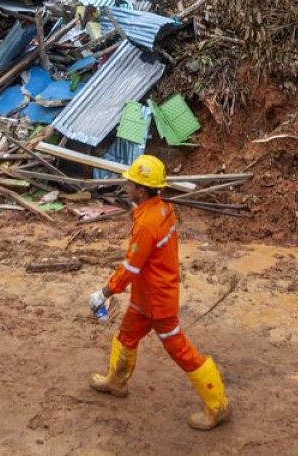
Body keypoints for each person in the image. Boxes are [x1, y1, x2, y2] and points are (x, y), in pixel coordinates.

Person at [87, 154, 232, 430]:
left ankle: (218, 404)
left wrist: (104, 293)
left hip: (156, 302)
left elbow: (131, 266)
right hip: (149, 296)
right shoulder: (163, 209)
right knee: (127, 335)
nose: (126, 186)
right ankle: (116, 381)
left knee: (181, 350)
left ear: (141, 190)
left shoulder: (146, 223)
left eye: (130, 184)